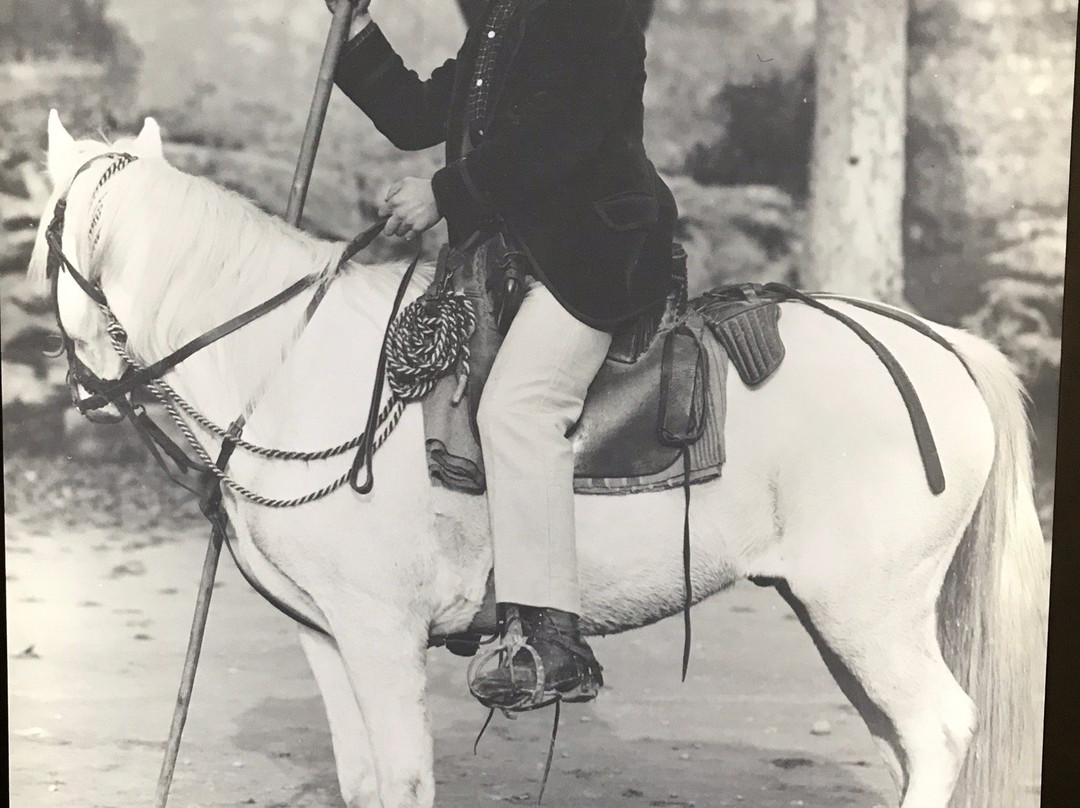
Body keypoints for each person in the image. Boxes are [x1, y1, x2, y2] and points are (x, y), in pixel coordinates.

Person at [329, 0, 678, 708]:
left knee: (520, 407)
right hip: (513, 256)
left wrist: (442, 191)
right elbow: (419, 118)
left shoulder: (596, 16)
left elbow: (556, 141)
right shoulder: (501, 24)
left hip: (595, 255)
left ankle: (552, 638)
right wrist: (356, 28)